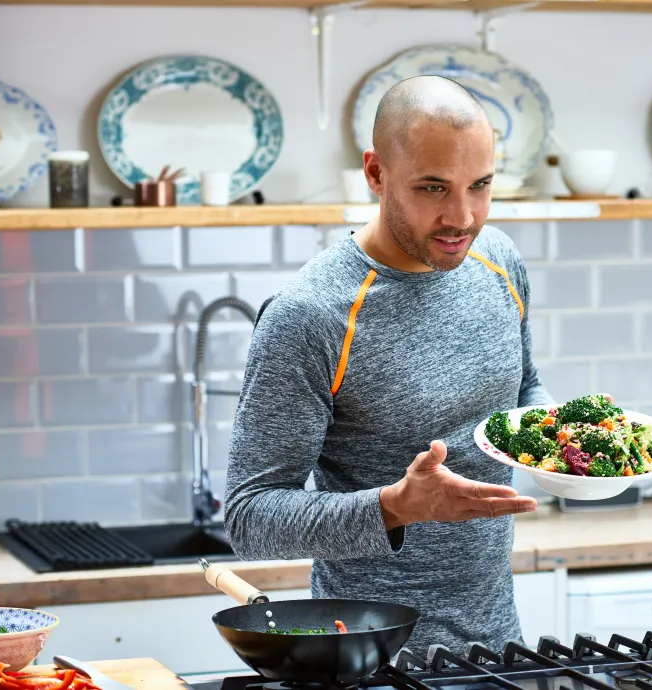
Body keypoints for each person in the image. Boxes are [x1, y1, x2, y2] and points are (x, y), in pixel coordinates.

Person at [223, 74, 552, 654]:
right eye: (433, 188)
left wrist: (570, 449)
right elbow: (250, 518)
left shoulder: (498, 259)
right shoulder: (312, 314)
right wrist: (396, 506)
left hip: (497, 650)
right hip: (367, 657)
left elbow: (525, 388)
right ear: (375, 173)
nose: (463, 217)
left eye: (480, 185)